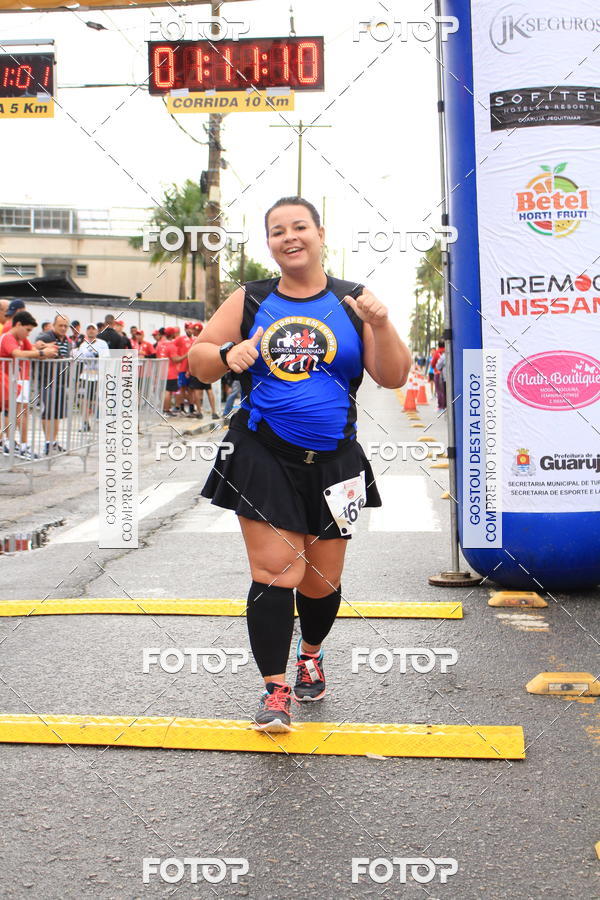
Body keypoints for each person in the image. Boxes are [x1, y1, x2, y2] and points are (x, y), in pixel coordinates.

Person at [188, 196, 411, 732]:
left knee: (320, 581)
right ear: (269, 243)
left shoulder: (353, 300)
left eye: (299, 227)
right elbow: (197, 360)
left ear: (319, 233)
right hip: (261, 452)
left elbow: (394, 376)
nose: (289, 237)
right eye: (276, 231)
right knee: (275, 572)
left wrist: (380, 324)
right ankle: (275, 690)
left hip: (337, 460)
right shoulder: (251, 299)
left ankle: (310, 652)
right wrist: (225, 356)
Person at [0, 310, 58, 457]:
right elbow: (18, 354)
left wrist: (44, 348)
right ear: (18, 324)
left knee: (19, 412)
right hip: (6, 380)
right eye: (27, 330)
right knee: (12, 412)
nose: (28, 334)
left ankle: (17, 444)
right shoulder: (8, 337)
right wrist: (43, 353)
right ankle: (9, 443)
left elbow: (31, 350)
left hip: (13, 381)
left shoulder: (21, 338)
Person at [37, 314, 72, 454]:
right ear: (54, 325)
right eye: (60, 325)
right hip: (47, 381)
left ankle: (54, 442)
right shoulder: (46, 336)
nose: (63, 328)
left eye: (65, 326)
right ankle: (47, 442)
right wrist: (46, 346)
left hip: (62, 382)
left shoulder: (68, 341)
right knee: (48, 413)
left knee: (57, 414)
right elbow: (37, 345)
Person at [72, 324, 110, 432]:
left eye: (93, 329)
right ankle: (85, 423)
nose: (91, 331)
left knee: (100, 400)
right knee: (83, 400)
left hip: (99, 376)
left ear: (97, 331)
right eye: (88, 328)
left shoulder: (102, 343)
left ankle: (105, 422)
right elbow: (79, 359)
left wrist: (97, 355)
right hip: (86, 376)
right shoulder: (83, 344)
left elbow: (106, 356)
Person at [431, 340, 446, 411]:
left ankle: (441, 406)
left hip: (438, 373)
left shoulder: (437, 353)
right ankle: (445, 405)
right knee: (445, 390)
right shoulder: (447, 351)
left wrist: (435, 368)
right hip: (447, 374)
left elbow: (433, 364)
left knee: (439, 390)